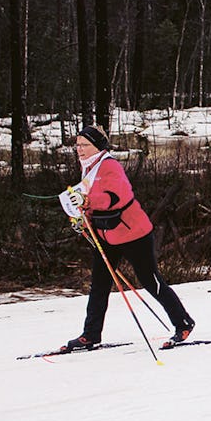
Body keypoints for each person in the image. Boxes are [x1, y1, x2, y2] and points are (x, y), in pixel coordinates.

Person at [61, 125, 195, 351]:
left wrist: (87, 202)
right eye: (77, 145)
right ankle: (90, 334)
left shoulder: (109, 166)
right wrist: (82, 219)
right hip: (106, 234)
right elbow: (89, 200)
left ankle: (183, 323)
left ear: (97, 147)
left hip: (133, 233)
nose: (79, 149)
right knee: (99, 285)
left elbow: (116, 197)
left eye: (85, 145)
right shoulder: (89, 167)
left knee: (150, 281)